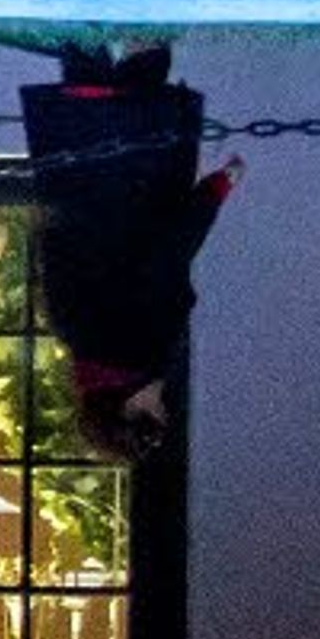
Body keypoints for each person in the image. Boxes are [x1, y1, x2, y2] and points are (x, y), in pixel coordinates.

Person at [22, 41, 236, 463]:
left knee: (146, 46)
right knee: (86, 41)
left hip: (143, 160)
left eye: (155, 412)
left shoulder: (146, 344)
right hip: (79, 144)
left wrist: (215, 191)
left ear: (130, 405)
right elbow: (52, 237)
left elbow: (167, 255)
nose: (163, 403)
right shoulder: (73, 331)